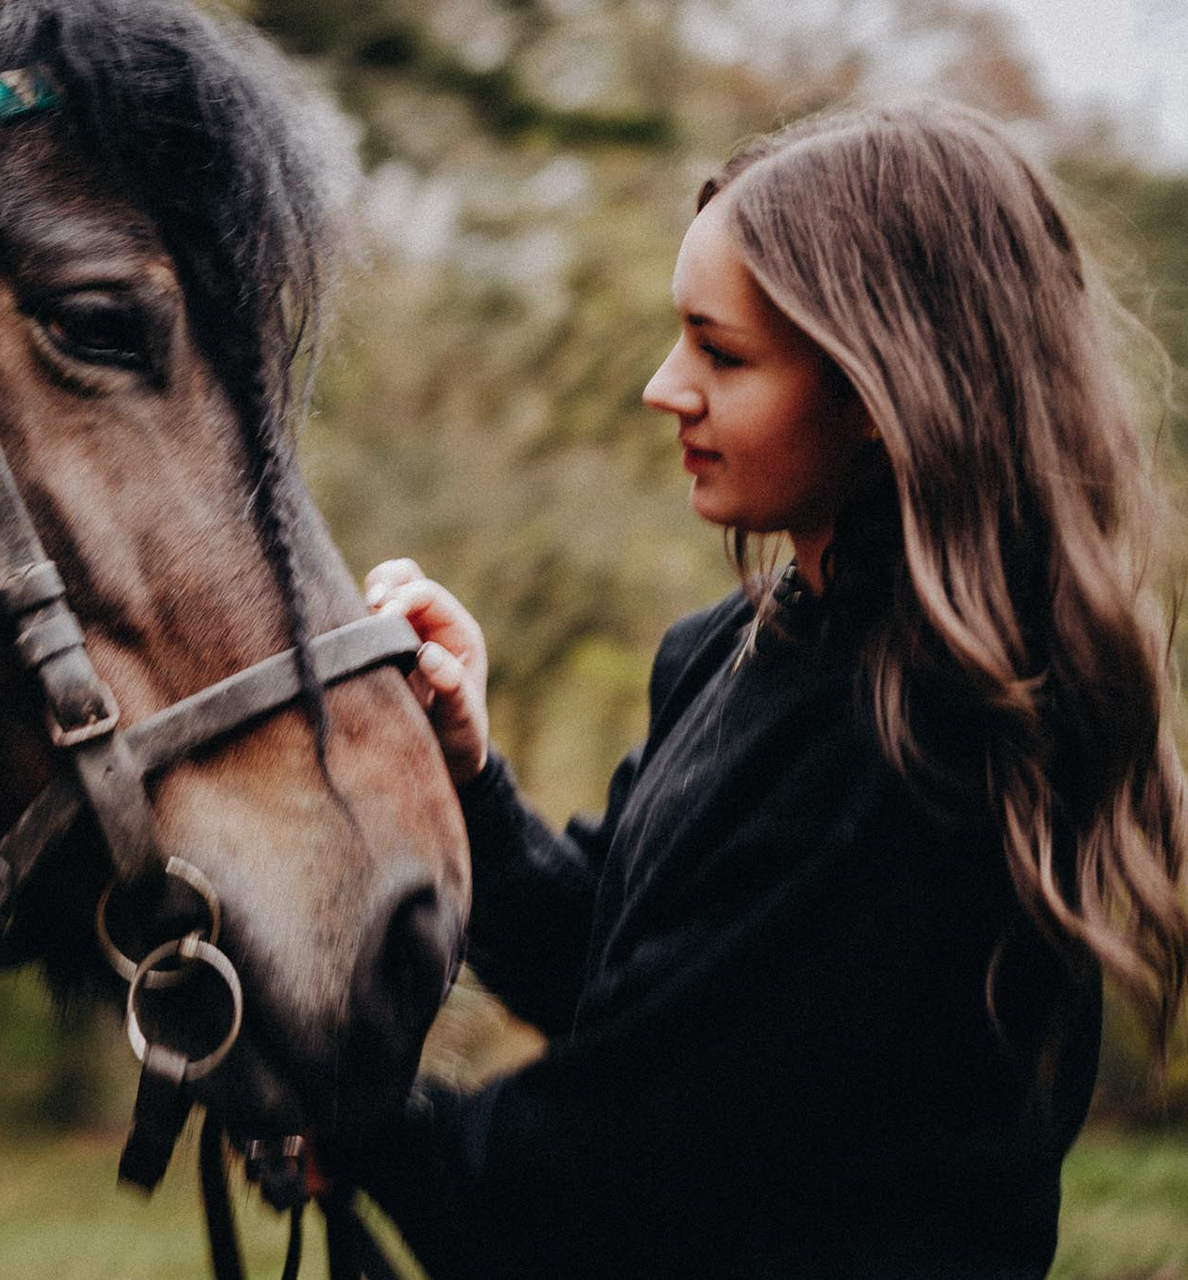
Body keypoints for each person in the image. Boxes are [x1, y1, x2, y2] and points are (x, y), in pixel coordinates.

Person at [340, 103, 1188, 1277]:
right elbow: (616, 965)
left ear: (882, 394)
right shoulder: (736, 646)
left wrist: (340, 1098)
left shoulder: (923, 746)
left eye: (721, 352)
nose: (663, 386)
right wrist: (465, 769)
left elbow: (593, 1184)